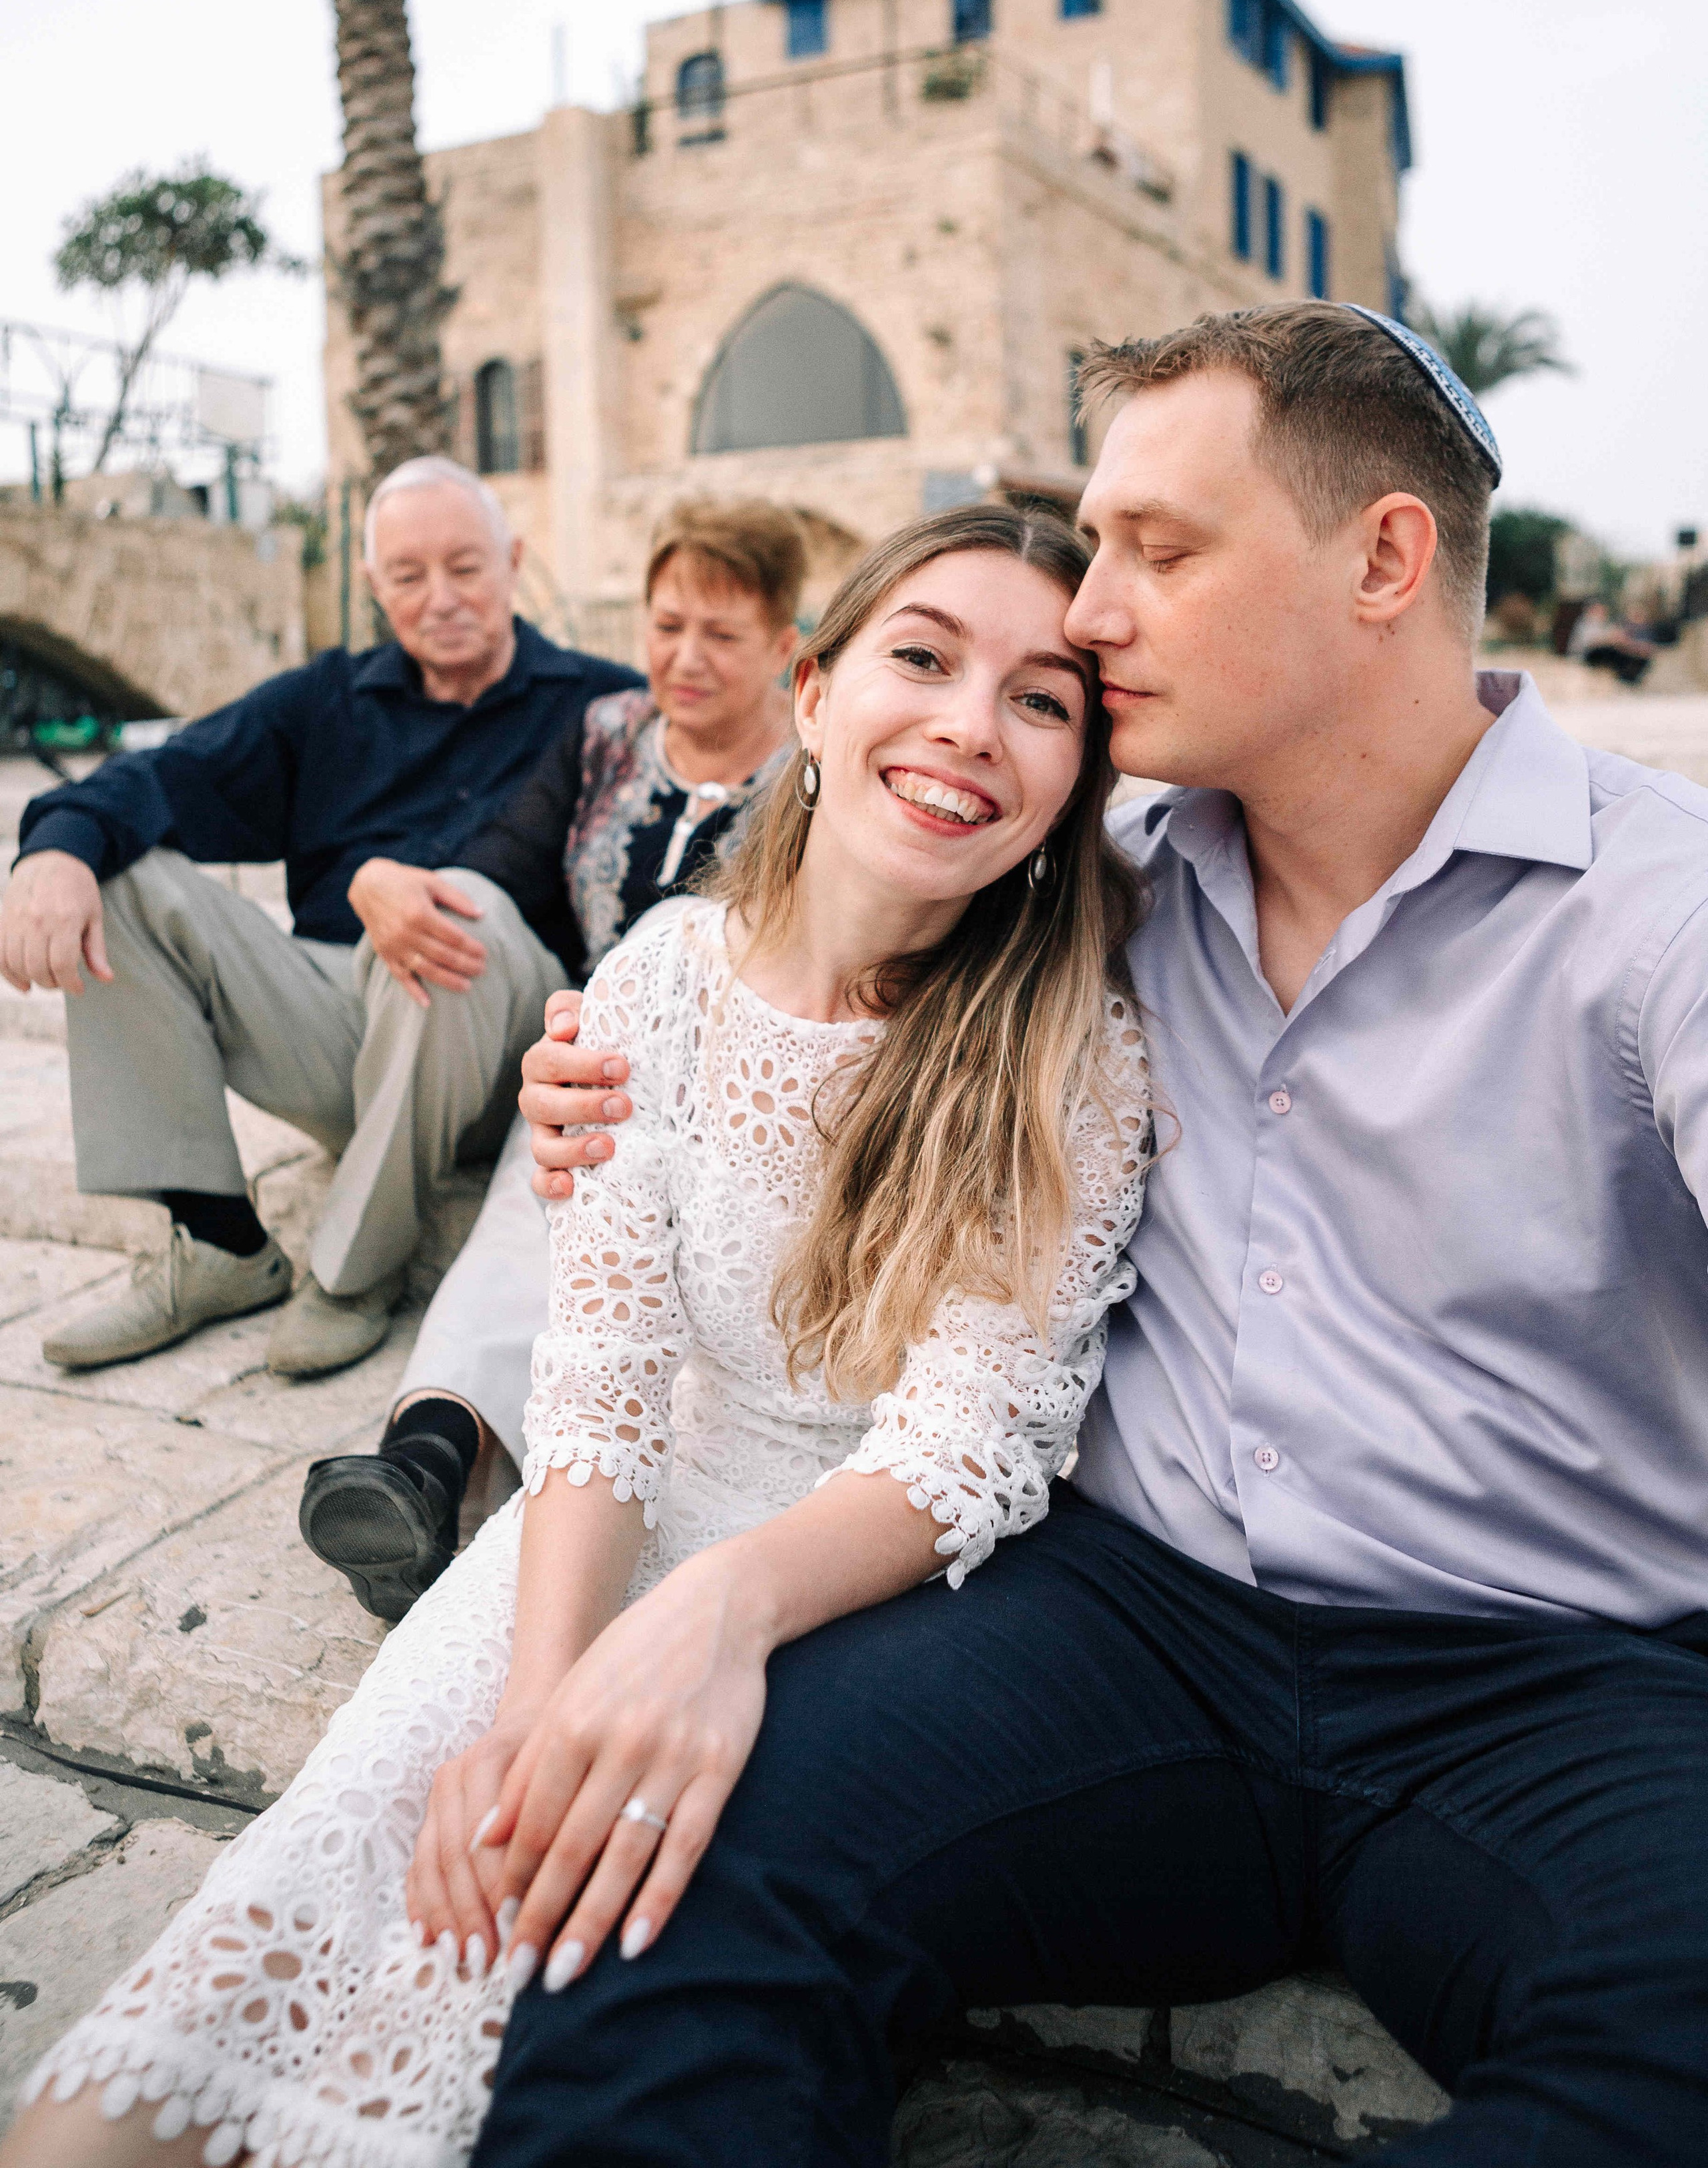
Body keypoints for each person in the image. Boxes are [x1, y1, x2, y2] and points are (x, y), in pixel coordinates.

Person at [493, 302, 1708, 2167]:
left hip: (1556, 1682)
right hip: (1127, 1625)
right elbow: (788, 963)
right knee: (668, 1873)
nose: (1090, 610)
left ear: (1385, 557)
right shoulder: (1100, 869)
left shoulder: (1662, 920)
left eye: (1159, 548)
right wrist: (590, 1067)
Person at [5, 505, 1151, 2168]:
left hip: (856, 1586)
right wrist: (530, 1705)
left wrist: (698, 1636)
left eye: (1042, 701)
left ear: (1073, 783)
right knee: (110, 2109)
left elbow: (963, 1443)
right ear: (813, 699)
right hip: (602, 1522)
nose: (973, 722)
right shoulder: (664, 976)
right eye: (922, 657)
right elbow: (603, 1380)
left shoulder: (1064, 1047)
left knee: (533, 1992)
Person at [0, 455, 639, 1381]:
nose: (442, 598)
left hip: (506, 1056)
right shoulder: (326, 700)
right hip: (339, 1028)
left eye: (465, 567)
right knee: (126, 876)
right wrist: (56, 849)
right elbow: (167, 774)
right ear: (376, 586)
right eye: (409, 576)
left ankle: (354, 1271)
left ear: (514, 560)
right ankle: (217, 1242)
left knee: (462, 909)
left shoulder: (602, 704)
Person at [300, 496, 805, 1621]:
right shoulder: (608, 732)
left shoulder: (818, 773)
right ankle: (421, 1468)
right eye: (667, 624)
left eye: (721, 635)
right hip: (588, 1055)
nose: (684, 657)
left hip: (734, 1074)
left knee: (587, 1126)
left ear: (786, 648)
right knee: (575, 1100)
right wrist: (387, 879)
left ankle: (432, 1454)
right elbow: (505, 859)